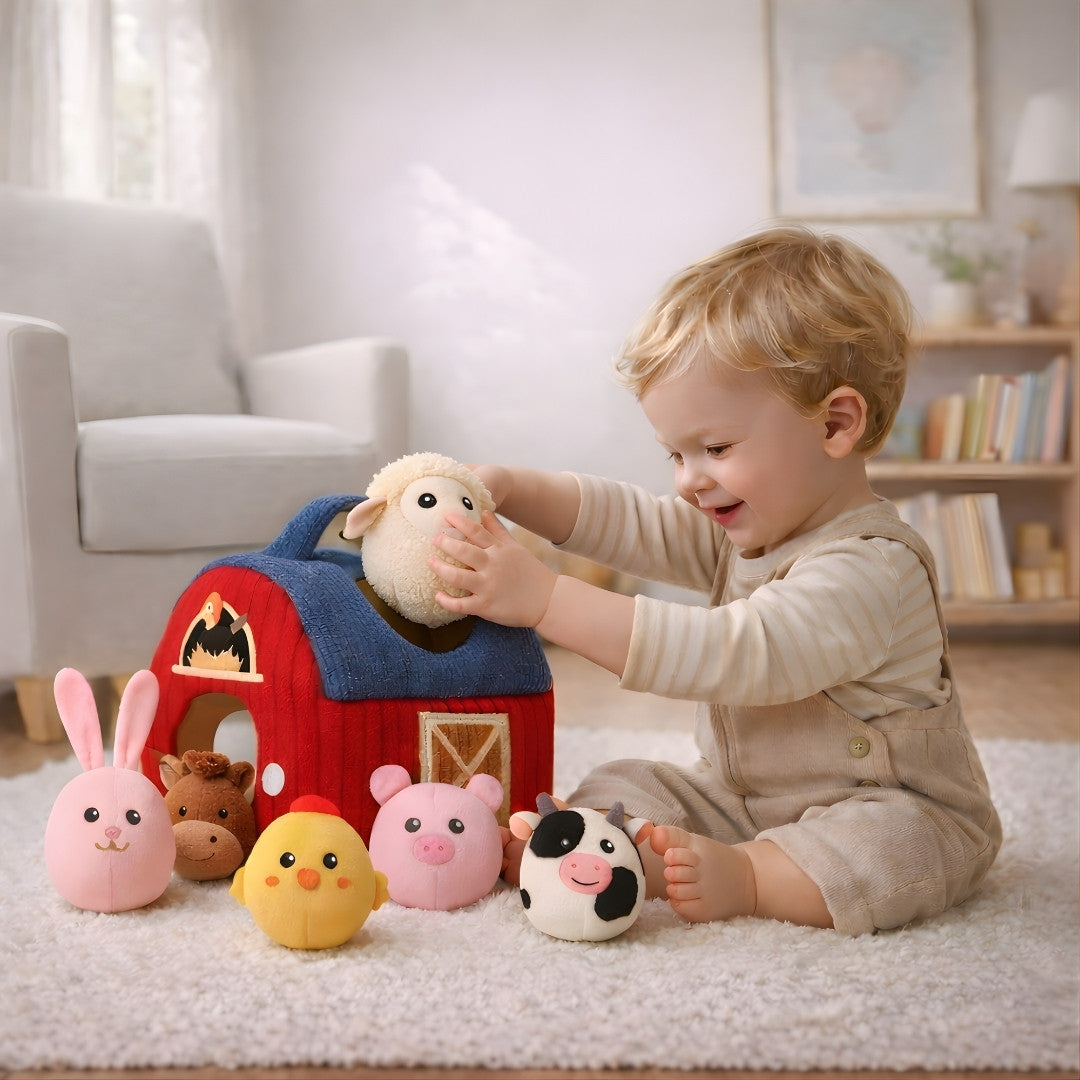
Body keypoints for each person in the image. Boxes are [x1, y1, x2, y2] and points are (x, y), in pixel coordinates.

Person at [427, 226, 1002, 936]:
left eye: (717, 448)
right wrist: (516, 488)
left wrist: (545, 599)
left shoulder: (870, 567)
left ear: (836, 423)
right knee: (623, 781)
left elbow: (737, 652)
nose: (689, 480)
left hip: (888, 804)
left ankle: (755, 877)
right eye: (675, 453)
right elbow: (631, 521)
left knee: (888, 851)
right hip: (740, 799)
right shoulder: (753, 526)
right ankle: (601, 844)